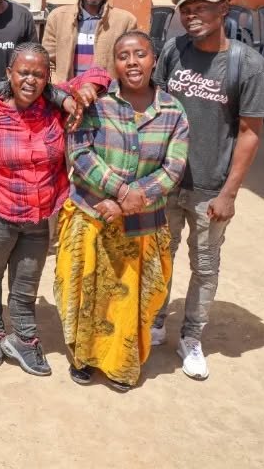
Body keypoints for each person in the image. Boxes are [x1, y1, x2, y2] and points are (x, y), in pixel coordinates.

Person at [152, 0, 264, 380]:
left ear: (224, 7)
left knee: (204, 265)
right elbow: (156, 105)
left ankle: (191, 337)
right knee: (159, 255)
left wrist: (230, 193)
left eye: (200, 7)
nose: (191, 16)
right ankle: (154, 320)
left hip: (210, 189)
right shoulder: (175, 50)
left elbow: (251, 132)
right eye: (185, 10)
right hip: (167, 182)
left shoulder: (247, 65)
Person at [55, 31, 189, 391]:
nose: (132, 62)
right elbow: (80, 152)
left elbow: (173, 169)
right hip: (92, 215)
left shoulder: (173, 111)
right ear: (113, 63)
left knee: (129, 302)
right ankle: (83, 358)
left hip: (142, 225)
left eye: (140, 54)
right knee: (85, 293)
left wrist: (133, 199)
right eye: (124, 56)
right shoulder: (97, 104)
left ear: (154, 59)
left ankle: (120, 364)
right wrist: (119, 192)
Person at [0, 43, 108, 378]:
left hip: (40, 215)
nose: (29, 80)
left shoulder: (56, 107)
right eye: (22, 72)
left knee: (26, 282)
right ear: (9, 75)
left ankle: (24, 338)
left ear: (48, 77)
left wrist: (84, 89)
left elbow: (100, 73)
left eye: (38, 73)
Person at [42, 0, 138, 84]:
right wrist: (62, 94)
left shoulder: (125, 21)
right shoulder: (58, 18)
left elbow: (129, 66)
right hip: (66, 98)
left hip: (106, 99)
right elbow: (47, 63)